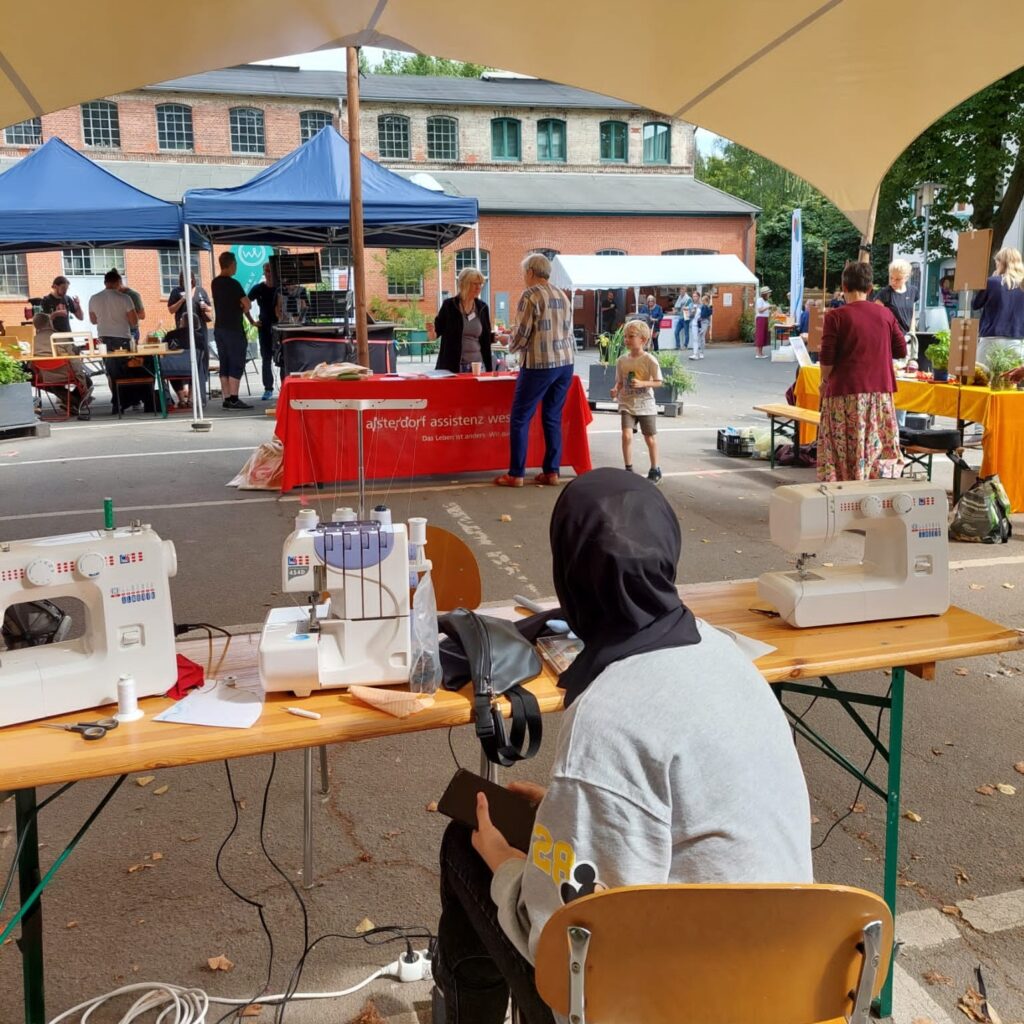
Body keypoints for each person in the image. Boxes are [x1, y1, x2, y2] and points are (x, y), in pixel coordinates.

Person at [434, 468, 814, 1024]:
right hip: (785, 981)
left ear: (569, 577)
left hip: (668, 1001)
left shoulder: (606, 717)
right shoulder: (727, 654)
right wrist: (564, 814)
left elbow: (568, 939)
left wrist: (507, 864)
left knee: (465, 846)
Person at [818, 260, 907, 482]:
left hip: (844, 395)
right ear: (869, 288)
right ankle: (876, 489)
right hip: (880, 395)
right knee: (877, 447)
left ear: (844, 287)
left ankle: (845, 489)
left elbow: (826, 360)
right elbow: (901, 350)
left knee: (844, 448)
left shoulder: (835, 316)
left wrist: (824, 382)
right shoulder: (885, 315)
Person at [495, 253, 575, 487]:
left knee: (520, 418)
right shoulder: (562, 294)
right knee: (552, 417)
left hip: (539, 363)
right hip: (565, 362)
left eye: (524, 273)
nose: (524, 277)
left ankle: (516, 474)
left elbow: (522, 334)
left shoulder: (530, 294)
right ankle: (552, 471)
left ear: (530, 272)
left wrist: (507, 343)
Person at [610, 319, 662, 482]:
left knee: (649, 437)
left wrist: (643, 383)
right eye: (625, 336)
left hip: (645, 404)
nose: (626, 339)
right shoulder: (622, 360)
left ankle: (655, 469)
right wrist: (615, 389)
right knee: (626, 435)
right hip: (627, 402)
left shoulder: (649, 360)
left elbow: (658, 382)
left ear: (643, 340)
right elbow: (620, 381)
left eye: (631, 336)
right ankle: (628, 468)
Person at [90, 269, 141, 415]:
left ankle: (117, 401)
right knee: (124, 371)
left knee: (111, 372)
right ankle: (124, 401)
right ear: (118, 282)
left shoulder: (94, 298)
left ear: (105, 282)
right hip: (122, 337)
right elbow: (134, 321)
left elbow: (93, 320)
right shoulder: (125, 298)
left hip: (103, 339)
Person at [31, 311, 93, 418]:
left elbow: (30, 363)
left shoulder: (32, 341)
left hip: (44, 376)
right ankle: (75, 402)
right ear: (50, 323)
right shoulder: (60, 338)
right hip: (66, 374)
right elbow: (74, 360)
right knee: (88, 381)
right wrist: (80, 375)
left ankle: (71, 403)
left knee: (52, 384)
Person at [211, 251, 252, 410]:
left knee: (224, 362)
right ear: (232, 264)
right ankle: (234, 398)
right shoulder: (234, 284)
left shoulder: (215, 283)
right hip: (233, 328)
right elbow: (247, 304)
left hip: (219, 328)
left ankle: (227, 398)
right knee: (236, 361)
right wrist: (240, 307)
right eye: (235, 264)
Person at [971, 247, 1024, 369]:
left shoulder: (992, 282)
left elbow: (975, 304)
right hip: (1017, 341)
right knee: (1011, 379)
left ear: (1001, 263)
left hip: (991, 339)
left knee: (983, 377)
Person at [434, 266, 494, 374]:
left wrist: (496, 337)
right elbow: (436, 332)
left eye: (480, 284)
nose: (478, 287)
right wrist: (431, 332)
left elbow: (486, 337)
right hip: (452, 367)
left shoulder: (482, 307)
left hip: (477, 366)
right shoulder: (449, 306)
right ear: (464, 284)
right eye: (475, 284)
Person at [168, 271, 213, 407]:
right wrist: (182, 299)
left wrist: (206, 307)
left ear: (193, 279)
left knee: (199, 362)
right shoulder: (176, 292)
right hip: (182, 334)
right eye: (183, 279)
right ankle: (182, 397)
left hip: (200, 331)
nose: (186, 281)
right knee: (180, 362)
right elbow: (171, 309)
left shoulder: (201, 291)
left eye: (189, 279)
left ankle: (192, 398)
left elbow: (210, 308)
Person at [872, 258, 918, 360]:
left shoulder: (913, 291)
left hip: (907, 338)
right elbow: (875, 318)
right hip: (890, 339)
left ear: (906, 277)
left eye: (898, 279)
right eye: (891, 278)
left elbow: (912, 314)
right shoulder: (884, 293)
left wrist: (912, 333)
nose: (893, 281)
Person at [247, 263, 278, 401]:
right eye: (266, 271)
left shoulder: (280, 288)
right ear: (264, 272)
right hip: (264, 327)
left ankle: (285, 387)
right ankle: (268, 389)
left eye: (271, 271)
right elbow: (244, 304)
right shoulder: (258, 288)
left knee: (283, 359)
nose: (269, 274)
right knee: (266, 359)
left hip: (280, 327)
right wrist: (252, 321)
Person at [120, 280, 145, 345]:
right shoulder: (113, 296)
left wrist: (126, 316)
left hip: (131, 331)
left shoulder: (133, 295)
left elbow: (142, 315)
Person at [691, 292, 712, 359]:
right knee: (695, 338)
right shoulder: (692, 305)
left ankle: (701, 352)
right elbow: (690, 316)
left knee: (701, 338)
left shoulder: (703, 305)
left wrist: (708, 324)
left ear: (699, 297)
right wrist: (692, 312)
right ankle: (695, 354)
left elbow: (707, 315)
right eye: (693, 296)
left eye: (695, 296)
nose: (694, 298)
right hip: (694, 323)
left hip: (702, 324)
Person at [754, 285, 772, 357]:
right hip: (760, 318)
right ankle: (758, 353)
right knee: (760, 335)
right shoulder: (760, 300)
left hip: (765, 318)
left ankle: (761, 353)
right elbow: (760, 310)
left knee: (763, 335)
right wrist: (768, 307)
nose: (769, 295)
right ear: (765, 294)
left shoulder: (765, 301)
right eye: (768, 293)